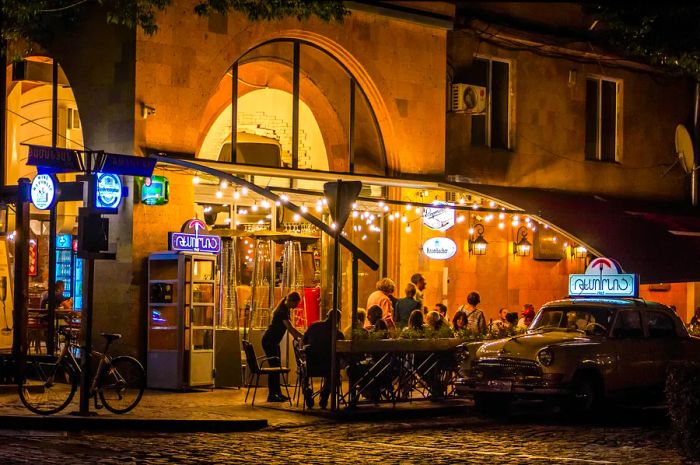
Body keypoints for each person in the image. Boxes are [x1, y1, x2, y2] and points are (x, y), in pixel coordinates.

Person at [261, 291, 303, 402]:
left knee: (277, 367)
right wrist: (303, 337)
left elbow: (291, 328)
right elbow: (290, 328)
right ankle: (272, 394)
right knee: (274, 367)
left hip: (274, 341)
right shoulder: (282, 311)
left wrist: (300, 336)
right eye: (296, 304)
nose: (296, 306)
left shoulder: (285, 309)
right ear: (291, 301)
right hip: (270, 341)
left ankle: (277, 393)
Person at [302, 309, 344, 409]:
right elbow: (342, 351)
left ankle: (306, 389)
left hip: (312, 365)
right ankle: (325, 394)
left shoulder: (313, 326)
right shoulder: (338, 334)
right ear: (338, 320)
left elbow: (304, 341)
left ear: (326, 316)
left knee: (302, 370)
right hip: (329, 367)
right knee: (334, 370)